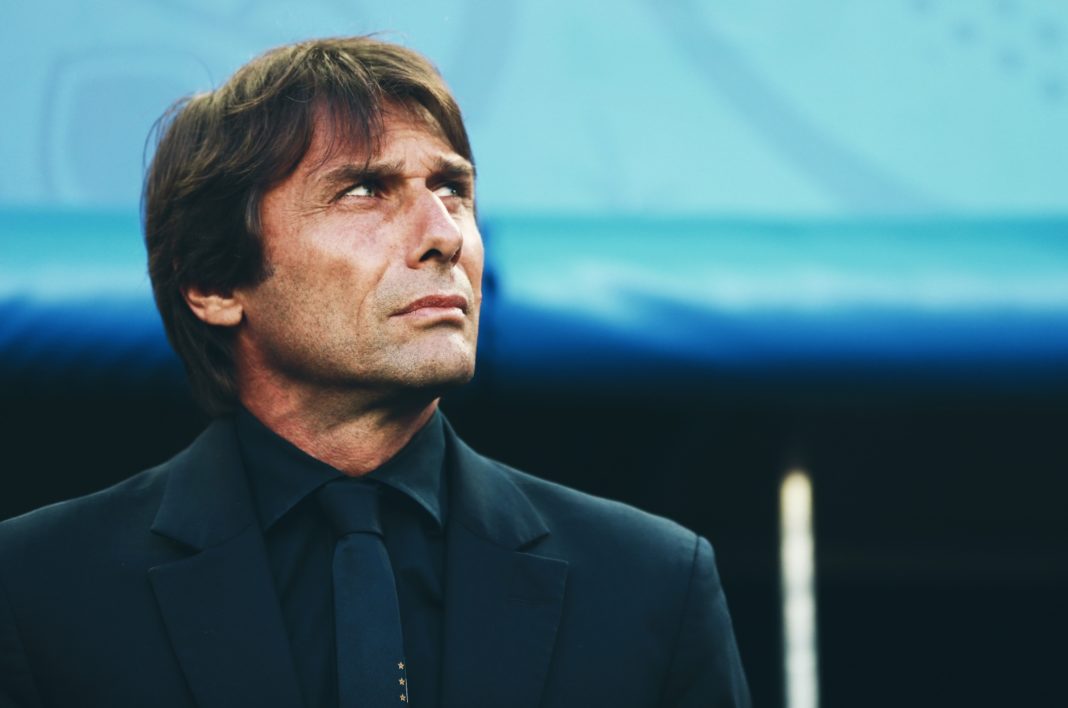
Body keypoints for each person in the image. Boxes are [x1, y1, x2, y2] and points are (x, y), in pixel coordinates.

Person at [0, 37, 750, 707]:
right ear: (214, 282)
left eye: (452, 189)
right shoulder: (38, 588)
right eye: (364, 191)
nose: (443, 235)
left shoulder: (652, 583)